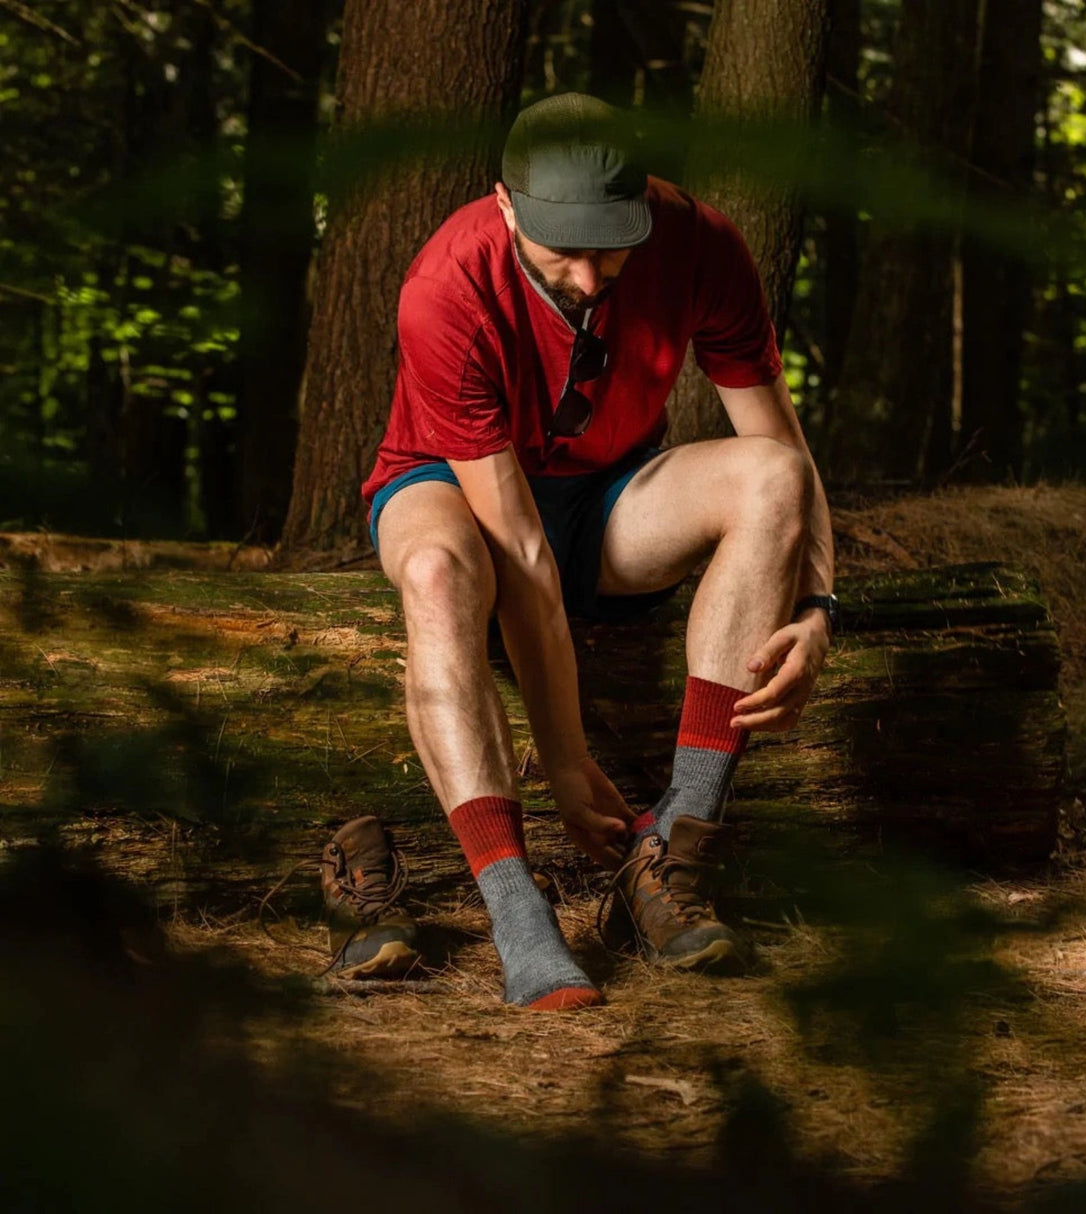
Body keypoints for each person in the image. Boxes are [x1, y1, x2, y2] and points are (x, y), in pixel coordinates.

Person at [323, 93, 836, 1009]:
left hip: (607, 498)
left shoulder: (699, 244)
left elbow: (780, 443)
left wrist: (817, 608)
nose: (593, 278)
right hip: (453, 489)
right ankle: (518, 910)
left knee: (767, 479)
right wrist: (561, 759)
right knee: (439, 575)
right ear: (508, 206)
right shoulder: (446, 285)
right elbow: (520, 550)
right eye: (565, 252)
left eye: (612, 247)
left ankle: (673, 855)